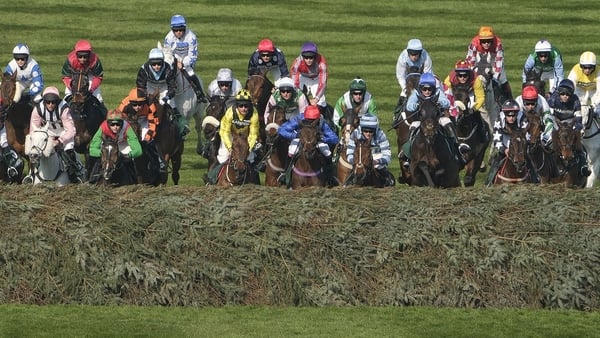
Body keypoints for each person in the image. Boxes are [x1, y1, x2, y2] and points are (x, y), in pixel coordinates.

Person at [400, 72, 470, 168]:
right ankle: (409, 155)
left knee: (447, 122)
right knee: (413, 126)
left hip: (436, 119)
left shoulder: (437, 92)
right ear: (420, 87)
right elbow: (409, 106)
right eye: (424, 89)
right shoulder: (416, 93)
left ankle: (457, 146)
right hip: (421, 120)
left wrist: (440, 102)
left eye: (430, 89)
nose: (427, 91)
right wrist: (417, 105)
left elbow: (446, 103)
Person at [30, 86, 84, 183]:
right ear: (44, 101)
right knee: (36, 150)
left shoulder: (64, 109)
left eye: (53, 102)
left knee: (68, 150)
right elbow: (33, 129)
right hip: (47, 132)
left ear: (57, 101)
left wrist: (59, 141)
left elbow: (71, 131)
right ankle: (31, 174)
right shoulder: (37, 109)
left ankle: (75, 174)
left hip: (64, 132)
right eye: (48, 102)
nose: (50, 105)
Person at [205, 89, 260, 184]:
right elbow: (225, 132)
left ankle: (256, 182)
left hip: (246, 137)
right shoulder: (230, 112)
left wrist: (248, 149)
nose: (244, 108)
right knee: (223, 157)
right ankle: (211, 180)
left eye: (246, 106)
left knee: (250, 158)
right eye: (241, 106)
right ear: (237, 105)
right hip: (230, 135)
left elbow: (253, 134)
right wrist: (230, 148)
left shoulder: (254, 113)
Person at [278, 105, 339, 186]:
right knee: (292, 150)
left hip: (316, 140)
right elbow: (282, 129)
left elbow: (334, 138)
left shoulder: (321, 121)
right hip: (301, 138)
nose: (311, 122)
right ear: (305, 116)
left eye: (314, 120)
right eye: (309, 120)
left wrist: (324, 139)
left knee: (327, 152)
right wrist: (294, 135)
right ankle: (285, 174)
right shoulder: (298, 119)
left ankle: (330, 177)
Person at [136, 48, 188, 138]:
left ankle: (182, 125)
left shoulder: (168, 68)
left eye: (159, 64)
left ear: (163, 62)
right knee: (141, 105)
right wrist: (146, 97)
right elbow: (140, 86)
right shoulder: (144, 69)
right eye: (154, 64)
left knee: (170, 103)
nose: (157, 66)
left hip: (164, 87)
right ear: (149, 62)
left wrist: (167, 97)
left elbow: (172, 86)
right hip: (150, 87)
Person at [116, 88, 166, 174]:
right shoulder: (124, 105)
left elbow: (152, 124)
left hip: (144, 120)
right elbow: (118, 121)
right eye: (134, 105)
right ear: (130, 102)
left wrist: (148, 136)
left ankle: (160, 161)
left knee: (147, 140)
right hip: (128, 121)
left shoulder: (150, 104)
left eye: (140, 104)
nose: (137, 107)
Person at [546, 79, 590, 176]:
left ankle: (584, 166)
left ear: (571, 94)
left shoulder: (575, 101)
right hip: (556, 122)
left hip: (570, 123)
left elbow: (578, 119)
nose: (565, 96)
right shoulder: (553, 100)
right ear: (559, 93)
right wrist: (556, 127)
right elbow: (549, 117)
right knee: (547, 141)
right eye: (562, 94)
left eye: (567, 94)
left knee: (579, 144)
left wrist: (577, 130)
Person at [89, 110, 142, 182]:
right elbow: (92, 149)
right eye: (112, 125)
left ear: (122, 123)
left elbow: (138, 150)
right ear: (108, 123)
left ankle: (134, 179)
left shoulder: (127, 127)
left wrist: (128, 155)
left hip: (122, 144)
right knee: (99, 161)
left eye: (118, 124)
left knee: (129, 161)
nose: (115, 127)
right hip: (107, 146)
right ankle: (92, 180)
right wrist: (102, 154)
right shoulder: (103, 127)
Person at [486, 99, 530, 186]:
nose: (511, 118)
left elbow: (527, 136)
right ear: (505, 115)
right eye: (508, 116)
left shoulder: (523, 118)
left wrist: (520, 150)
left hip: (520, 147)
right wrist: (504, 149)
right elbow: (496, 137)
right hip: (505, 146)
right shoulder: (499, 119)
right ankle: (488, 184)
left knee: (530, 162)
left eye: (513, 116)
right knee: (495, 164)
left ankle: (536, 181)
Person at [163, 14, 207, 103]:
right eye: (176, 30)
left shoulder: (191, 37)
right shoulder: (168, 38)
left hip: (187, 60)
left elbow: (193, 56)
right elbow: (167, 53)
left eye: (181, 30)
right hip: (174, 60)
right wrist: (176, 62)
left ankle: (200, 94)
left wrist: (183, 64)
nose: (178, 32)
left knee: (190, 73)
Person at [443, 59, 489, 143]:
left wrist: (474, 109)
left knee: (477, 115)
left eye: (465, 76)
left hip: (470, 95)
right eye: (460, 76)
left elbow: (481, 97)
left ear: (469, 74)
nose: (463, 78)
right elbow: (445, 93)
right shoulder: (450, 78)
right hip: (454, 95)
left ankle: (482, 135)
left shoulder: (476, 80)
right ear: (456, 75)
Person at [346, 114, 395, 187]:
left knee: (387, 178)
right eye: (365, 131)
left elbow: (387, 155)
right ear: (361, 129)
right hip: (359, 159)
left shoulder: (381, 135)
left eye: (371, 131)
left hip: (376, 157)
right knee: (350, 178)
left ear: (375, 130)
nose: (368, 134)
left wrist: (378, 161)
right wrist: (355, 162)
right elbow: (349, 152)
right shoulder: (355, 134)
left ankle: (389, 183)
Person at [465, 26, 513, 99]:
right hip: (479, 59)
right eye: (484, 42)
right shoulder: (474, 43)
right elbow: (470, 61)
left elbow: (499, 63)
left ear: (492, 40)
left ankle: (510, 100)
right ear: (480, 41)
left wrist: (494, 79)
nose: (486, 44)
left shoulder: (498, 44)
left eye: (489, 41)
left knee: (503, 80)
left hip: (494, 58)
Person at [394, 38, 433, 112]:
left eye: (416, 54)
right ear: (408, 53)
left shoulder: (426, 57)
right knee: (403, 95)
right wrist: (405, 88)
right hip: (408, 82)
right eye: (412, 54)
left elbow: (428, 75)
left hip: (422, 81)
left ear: (420, 53)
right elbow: (400, 76)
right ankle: (396, 115)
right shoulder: (403, 57)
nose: (414, 57)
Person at [61, 39, 105, 104]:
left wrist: (91, 89)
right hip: (74, 76)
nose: (82, 59)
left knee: (98, 98)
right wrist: (73, 87)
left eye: (85, 57)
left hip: (89, 76)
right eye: (80, 57)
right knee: (66, 99)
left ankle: (103, 112)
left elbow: (98, 76)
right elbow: (66, 76)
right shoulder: (70, 59)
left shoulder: (94, 60)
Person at [289, 41, 328, 107]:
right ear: (302, 56)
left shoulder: (322, 63)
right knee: (297, 100)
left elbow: (323, 83)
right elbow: (295, 81)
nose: (308, 60)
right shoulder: (297, 62)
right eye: (306, 57)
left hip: (316, 80)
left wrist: (316, 99)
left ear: (315, 56)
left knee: (321, 102)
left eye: (311, 57)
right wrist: (298, 94)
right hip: (303, 78)